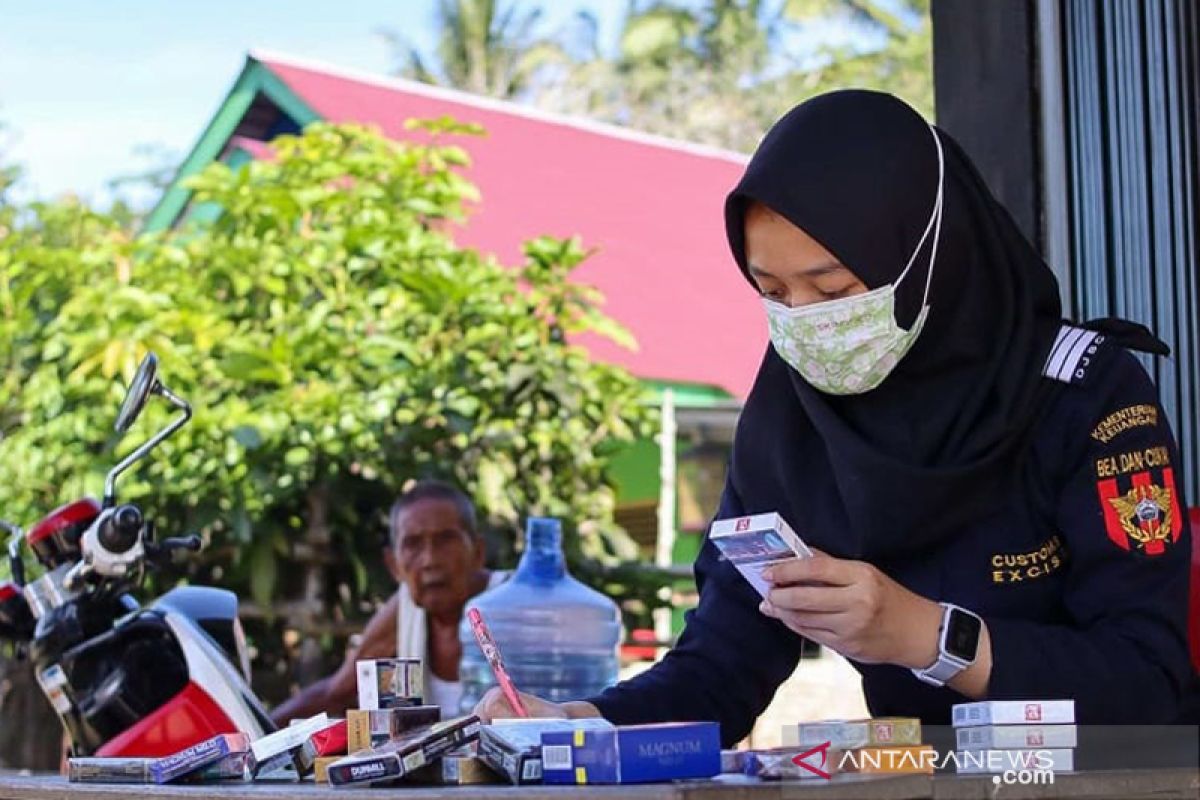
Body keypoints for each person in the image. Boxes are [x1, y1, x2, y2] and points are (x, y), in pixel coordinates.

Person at [473, 90, 1196, 745]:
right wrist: (582, 722)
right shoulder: (791, 423)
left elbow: (1147, 681)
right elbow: (723, 667)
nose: (805, 324)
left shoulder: (1082, 394)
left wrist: (928, 636)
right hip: (924, 784)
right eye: (773, 291)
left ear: (927, 257)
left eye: (835, 288)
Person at [272, 481, 506, 722]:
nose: (429, 560)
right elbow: (338, 690)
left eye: (446, 540)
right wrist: (256, 738)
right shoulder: (405, 611)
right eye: (413, 544)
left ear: (478, 552)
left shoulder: (516, 606)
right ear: (393, 565)